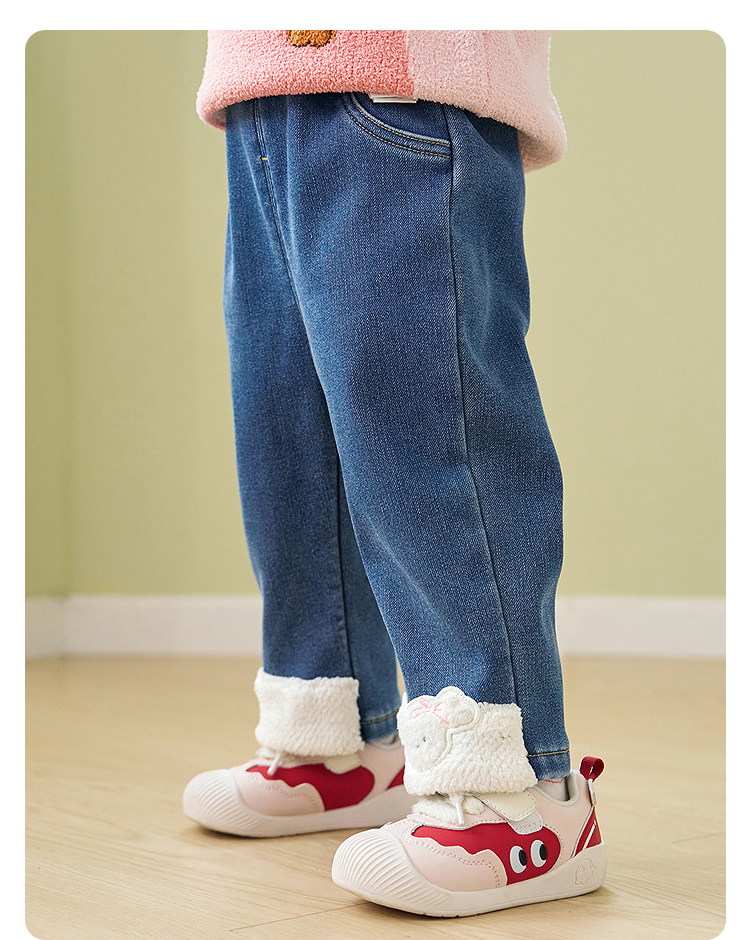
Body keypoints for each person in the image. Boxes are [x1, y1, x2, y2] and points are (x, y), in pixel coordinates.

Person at [183, 29, 606, 917]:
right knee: (288, 426)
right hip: (259, 92)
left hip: (401, 76)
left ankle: (520, 791)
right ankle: (336, 738)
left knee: (429, 422)